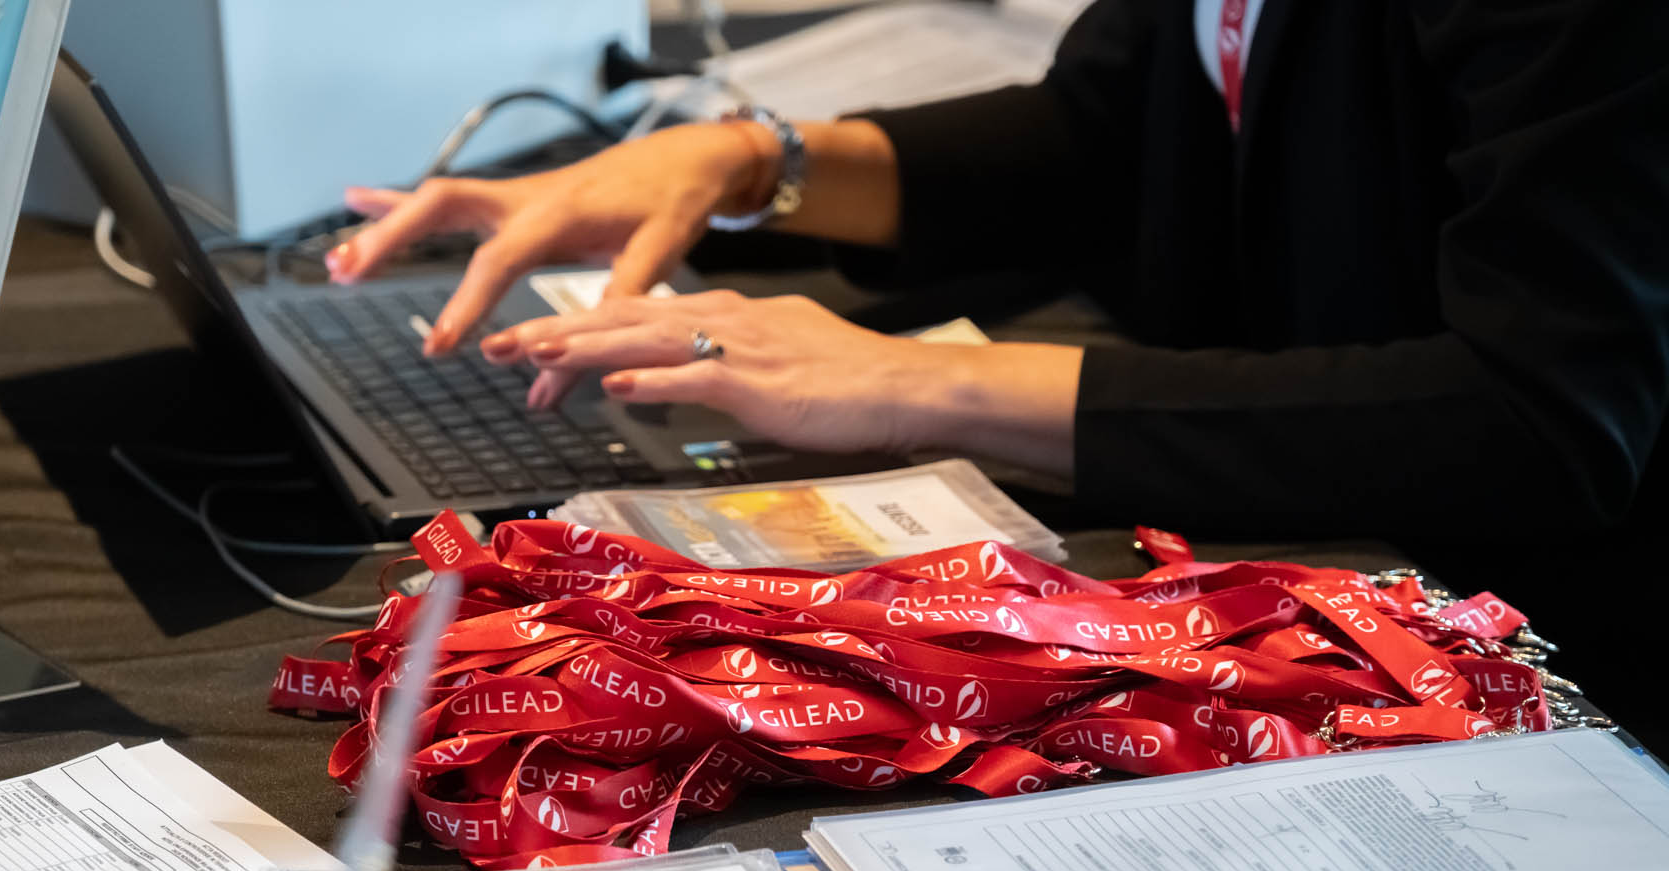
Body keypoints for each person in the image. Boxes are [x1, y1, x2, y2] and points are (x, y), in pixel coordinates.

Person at [327, 0, 1668, 545]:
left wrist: (923, 385)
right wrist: (743, 162)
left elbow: (1538, 418)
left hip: (1541, 641)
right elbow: (1102, 134)